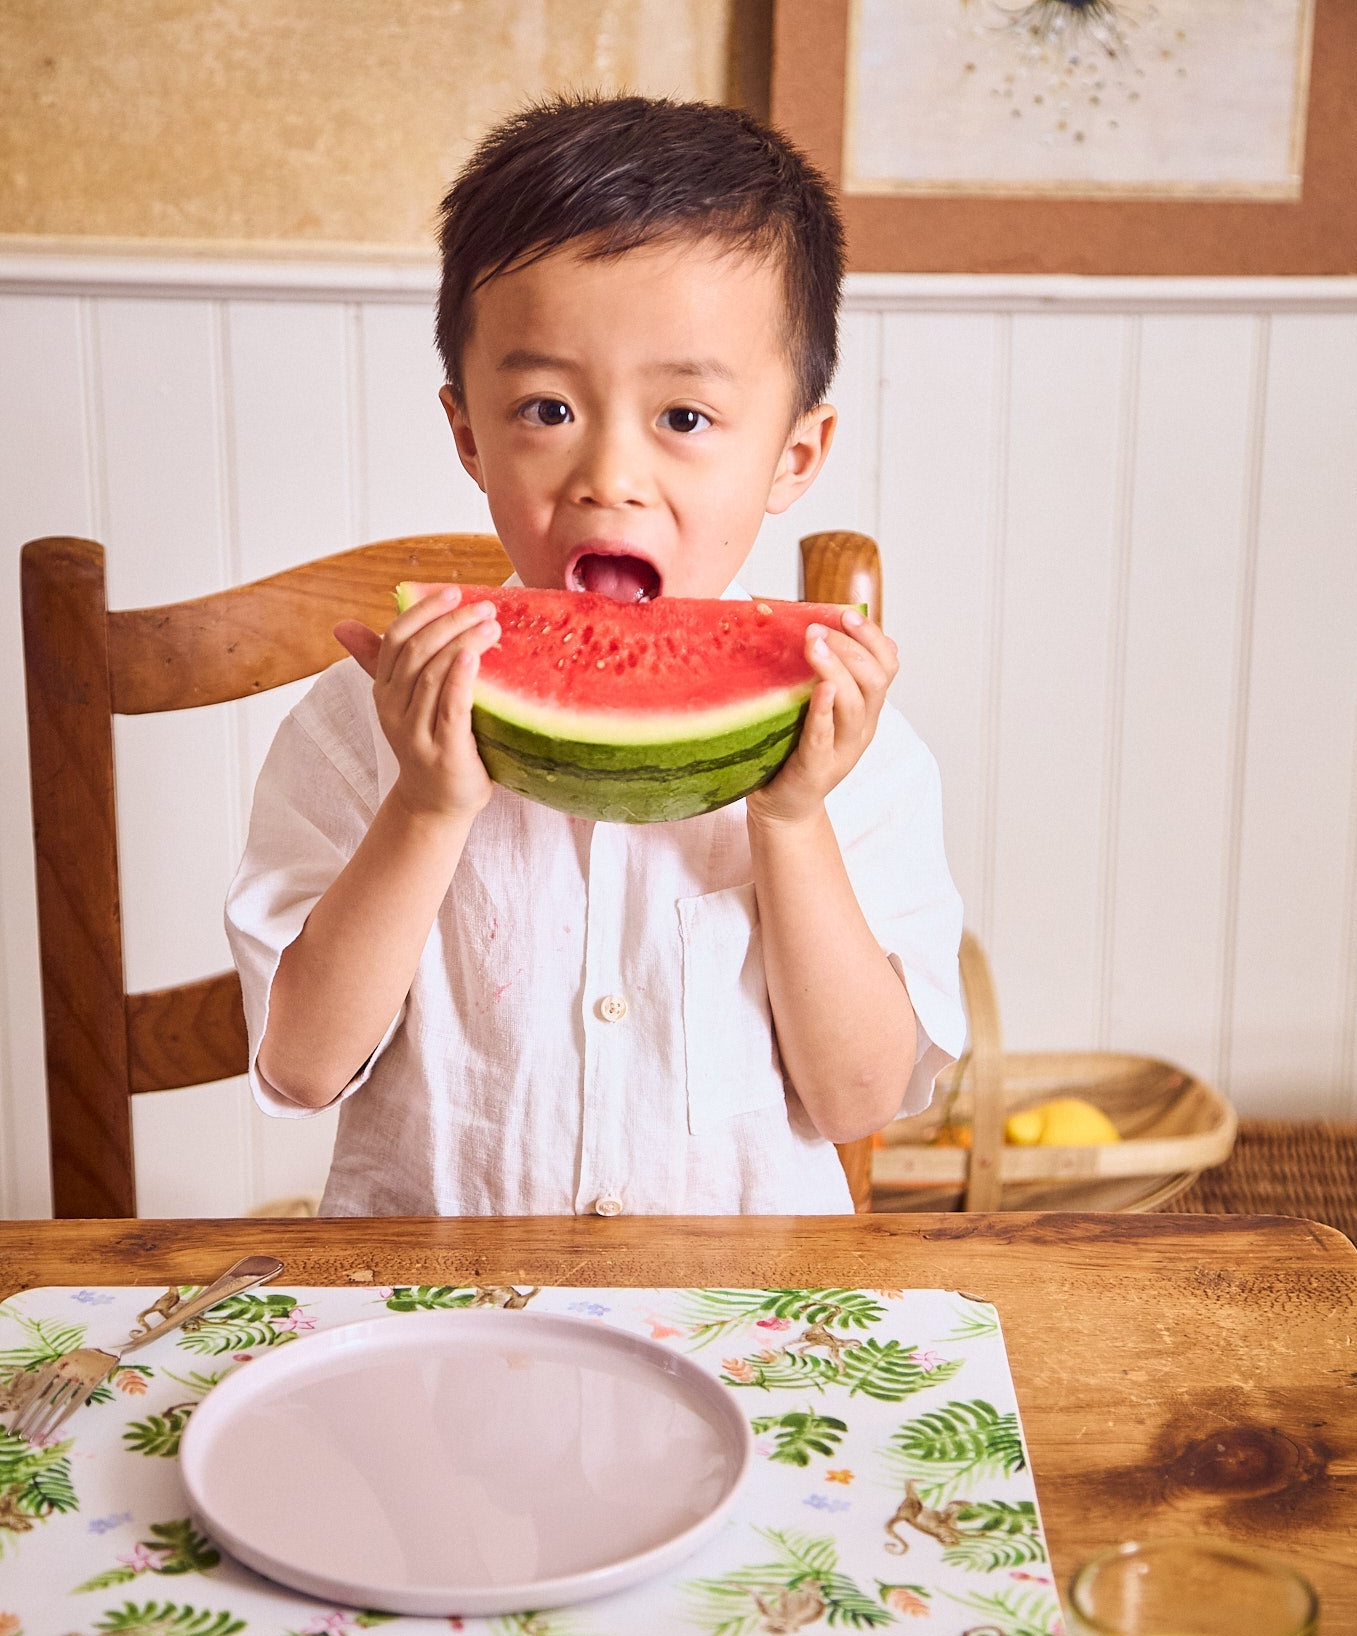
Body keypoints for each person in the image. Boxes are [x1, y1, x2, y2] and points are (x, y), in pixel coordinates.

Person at [226, 93, 965, 1216]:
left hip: (741, 1320)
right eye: (547, 406)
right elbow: (302, 1064)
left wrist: (793, 817)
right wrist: (424, 808)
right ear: (469, 432)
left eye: (684, 417)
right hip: (439, 1319)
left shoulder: (856, 754)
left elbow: (861, 1096)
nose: (609, 475)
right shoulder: (356, 728)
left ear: (795, 451)